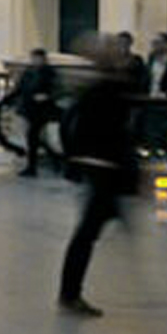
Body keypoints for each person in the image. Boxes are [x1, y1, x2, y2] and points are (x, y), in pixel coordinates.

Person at [57, 35, 139, 317]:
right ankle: (70, 293)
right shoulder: (105, 88)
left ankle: (70, 292)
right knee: (86, 233)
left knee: (88, 230)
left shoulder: (106, 86)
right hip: (102, 168)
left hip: (103, 168)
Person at [15, 47, 61, 178]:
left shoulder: (49, 72)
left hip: (42, 110)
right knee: (34, 138)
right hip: (30, 108)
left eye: (37, 58)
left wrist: (47, 96)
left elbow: (56, 89)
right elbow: (21, 87)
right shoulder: (29, 71)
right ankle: (52, 159)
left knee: (33, 136)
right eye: (34, 58)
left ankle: (32, 167)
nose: (35, 60)